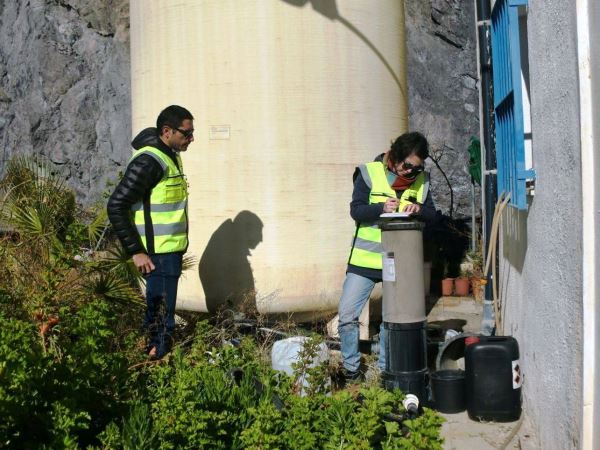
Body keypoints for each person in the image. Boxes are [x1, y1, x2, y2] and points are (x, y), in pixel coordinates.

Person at [338, 131, 438, 380]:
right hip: (364, 262)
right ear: (394, 157)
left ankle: (384, 371)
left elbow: (434, 217)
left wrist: (420, 210)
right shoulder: (369, 173)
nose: (412, 173)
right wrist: (380, 208)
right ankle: (352, 370)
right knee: (347, 316)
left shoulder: (422, 181)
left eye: (418, 167)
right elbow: (357, 211)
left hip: (399, 263)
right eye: (408, 166)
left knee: (391, 322)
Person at [107, 105, 194, 359]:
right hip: (156, 256)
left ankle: (153, 362)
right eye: (186, 134)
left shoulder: (170, 154)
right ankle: (155, 366)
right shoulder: (150, 161)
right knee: (161, 318)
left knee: (160, 314)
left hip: (169, 251)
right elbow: (116, 205)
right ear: (167, 131)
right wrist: (136, 251)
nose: (191, 138)